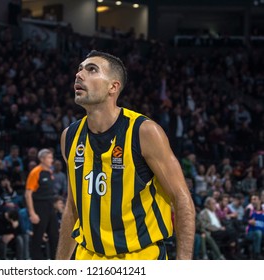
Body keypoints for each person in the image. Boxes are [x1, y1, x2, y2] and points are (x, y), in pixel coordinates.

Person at [56, 50, 195, 260]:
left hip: (139, 257)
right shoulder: (70, 136)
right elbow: (72, 207)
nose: (79, 74)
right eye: (79, 69)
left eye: (92, 70)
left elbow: (182, 200)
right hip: (88, 257)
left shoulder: (144, 132)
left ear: (113, 87)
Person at [25, 148, 59, 260]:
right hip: (39, 206)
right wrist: (32, 213)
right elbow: (28, 194)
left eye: (52, 157)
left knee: (54, 235)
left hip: (50, 207)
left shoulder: (50, 172)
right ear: (42, 159)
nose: (51, 160)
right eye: (49, 157)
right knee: (38, 237)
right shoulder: (35, 172)